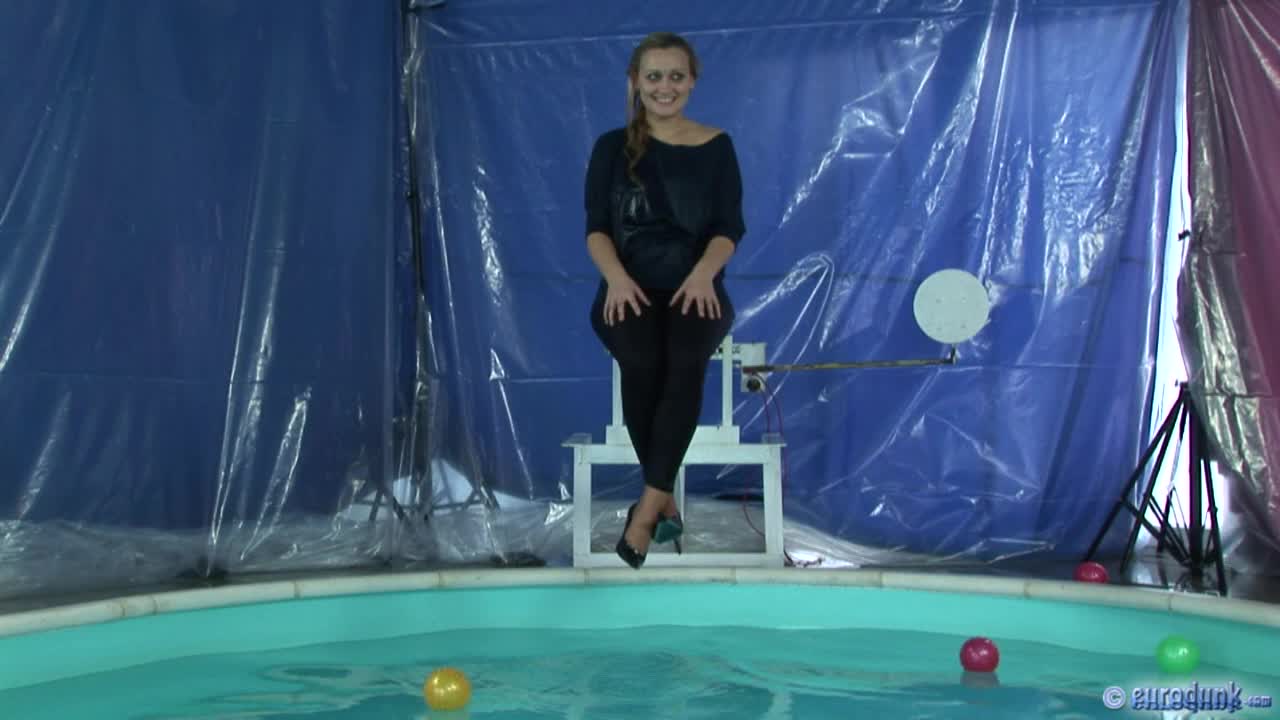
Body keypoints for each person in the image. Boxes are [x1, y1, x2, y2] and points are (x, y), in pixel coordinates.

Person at [582, 32, 746, 568]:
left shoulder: (717, 145)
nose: (664, 86)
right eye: (653, 76)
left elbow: (728, 228)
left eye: (676, 76)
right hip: (627, 285)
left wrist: (702, 276)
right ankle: (661, 497)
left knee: (684, 358)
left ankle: (647, 507)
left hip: (696, 285)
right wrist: (616, 280)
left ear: (692, 82)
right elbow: (596, 229)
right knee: (642, 358)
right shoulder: (611, 147)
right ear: (635, 82)